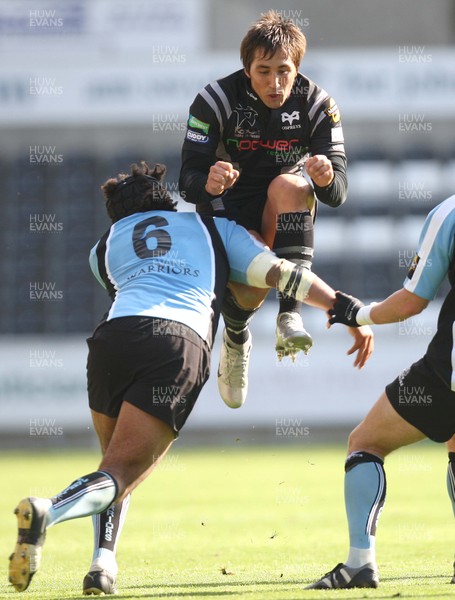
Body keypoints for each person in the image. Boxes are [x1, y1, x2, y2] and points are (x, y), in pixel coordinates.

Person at [8, 162, 373, 595]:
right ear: (168, 198)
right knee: (120, 472)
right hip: (177, 341)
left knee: (110, 464)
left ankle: (102, 566)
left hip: (112, 338)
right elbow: (282, 274)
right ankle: (47, 510)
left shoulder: (103, 245)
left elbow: (121, 284)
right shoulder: (211, 226)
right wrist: (343, 308)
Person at [179, 10, 347, 409]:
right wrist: (207, 180)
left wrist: (324, 179)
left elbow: (338, 192)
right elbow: (187, 178)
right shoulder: (214, 100)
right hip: (225, 211)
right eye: (263, 71)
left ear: (298, 68)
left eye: (284, 71)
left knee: (291, 185)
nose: (275, 83)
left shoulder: (319, 105)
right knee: (254, 273)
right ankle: (236, 336)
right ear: (246, 69)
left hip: (278, 207)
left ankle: (288, 317)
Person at [306, 194, 455, 589]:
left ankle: (359, 564)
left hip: (449, 373)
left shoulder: (450, 212)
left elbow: (411, 301)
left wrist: (357, 314)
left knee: (366, 442)